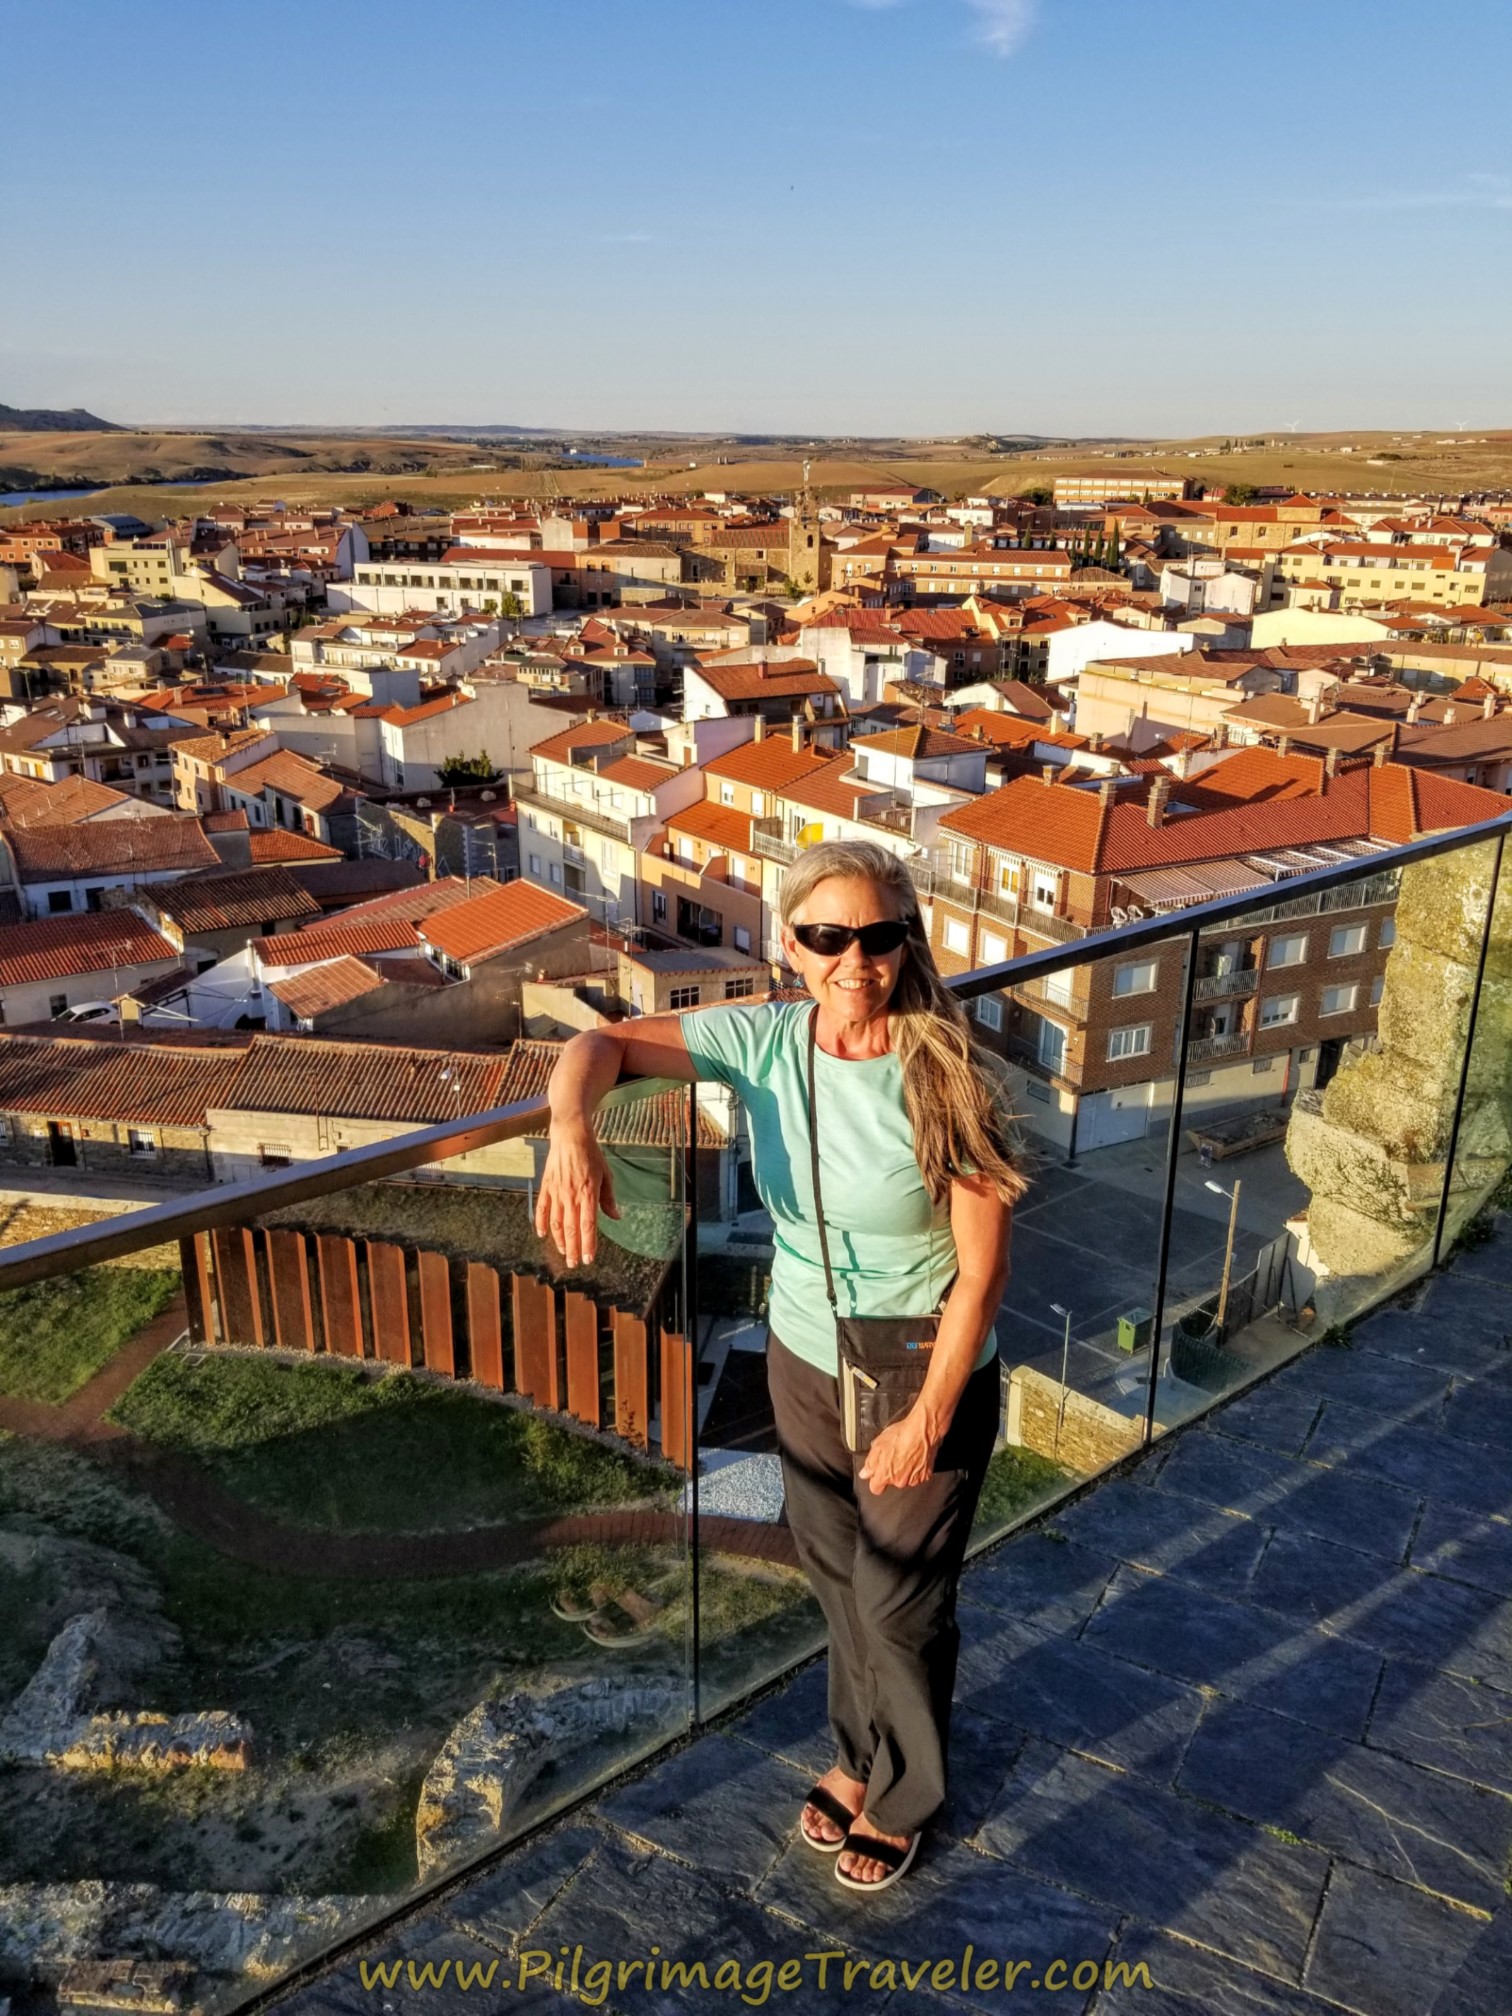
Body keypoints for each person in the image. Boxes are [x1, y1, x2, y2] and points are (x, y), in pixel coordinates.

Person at [536, 838, 1026, 1892]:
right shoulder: (763, 1043)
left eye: (880, 935)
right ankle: (857, 1760)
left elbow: (981, 1278)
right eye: (828, 937)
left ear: (907, 942)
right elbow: (602, 1044)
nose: (857, 960)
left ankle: (906, 1796)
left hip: (921, 1361)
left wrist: (929, 1415)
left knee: (903, 1603)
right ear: (789, 947)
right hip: (802, 1349)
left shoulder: (945, 1075)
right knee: (842, 1580)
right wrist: (570, 1133)